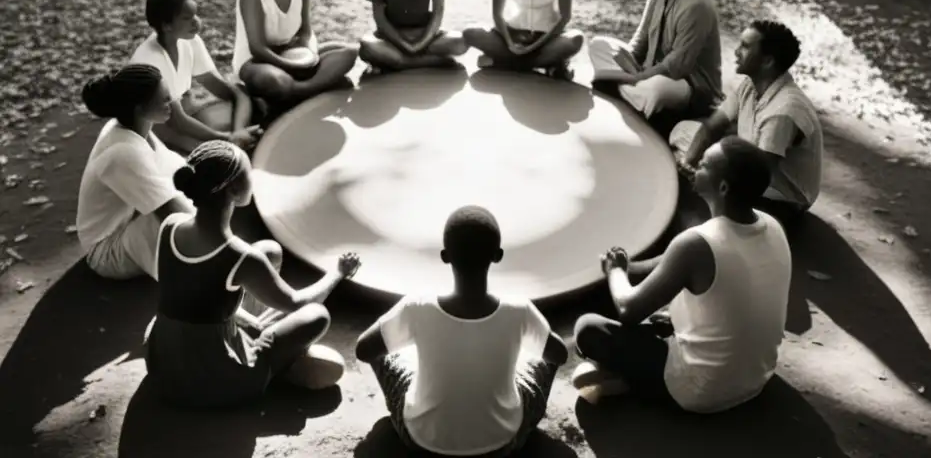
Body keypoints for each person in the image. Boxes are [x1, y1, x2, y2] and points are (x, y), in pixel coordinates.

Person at [571, 136, 792, 412]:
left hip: (700, 391)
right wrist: (626, 267)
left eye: (704, 165)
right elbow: (670, 264)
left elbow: (628, 308)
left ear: (722, 187)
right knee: (666, 314)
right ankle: (623, 377)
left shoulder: (696, 243)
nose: (695, 164)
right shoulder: (771, 226)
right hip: (756, 377)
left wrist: (615, 273)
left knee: (588, 328)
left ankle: (631, 381)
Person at [144, 139, 361, 408]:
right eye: (249, 174)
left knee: (270, 251)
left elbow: (193, 290)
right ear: (234, 190)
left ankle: (261, 344)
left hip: (163, 358)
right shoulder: (241, 257)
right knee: (316, 316)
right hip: (211, 378)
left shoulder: (170, 225)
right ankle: (266, 372)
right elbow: (296, 303)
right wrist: (337, 273)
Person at [354, 206, 569, 457]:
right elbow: (560, 355)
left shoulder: (417, 306)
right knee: (543, 354)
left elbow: (363, 349)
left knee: (389, 352)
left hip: (420, 441)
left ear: (445, 256)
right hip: (502, 443)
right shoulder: (519, 310)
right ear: (497, 255)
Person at [672, 20, 822, 229]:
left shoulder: (784, 111)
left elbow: (758, 176)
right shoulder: (751, 84)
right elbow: (712, 127)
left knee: (705, 193)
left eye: (745, 47)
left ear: (767, 61)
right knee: (682, 132)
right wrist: (688, 163)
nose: (736, 52)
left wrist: (706, 176)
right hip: (752, 162)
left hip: (781, 197)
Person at [588, 0, 722, 131]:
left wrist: (637, 77)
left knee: (657, 89)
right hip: (647, 72)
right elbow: (639, 43)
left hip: (688, 86)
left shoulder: (697, 6)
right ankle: (634, 96)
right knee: (599, 45)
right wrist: (625, 61)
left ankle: (628, 93)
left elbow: (678, 66)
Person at [76, 64, 195, 280]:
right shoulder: (124, 153)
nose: (172, 103)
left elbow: (174, 166)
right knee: (186, 224)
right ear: (140, 107)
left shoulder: (135, 126)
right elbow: (172, 212)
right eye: (165, 99)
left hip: (130, 221)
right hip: (107, 250)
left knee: (200, 186)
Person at [130, 0, 262, 154]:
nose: (196, 22)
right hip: (156, 127)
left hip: (184, 113)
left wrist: (239, 130)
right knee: (216, 155)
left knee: (244, 94)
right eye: (186, 18)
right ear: (166, 26)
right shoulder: (151, 59)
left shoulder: (190, 41)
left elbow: (221, 88)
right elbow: (177, 121)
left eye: (196, 14)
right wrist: (228, 137)